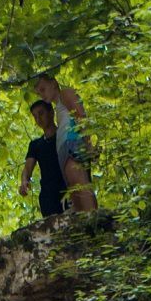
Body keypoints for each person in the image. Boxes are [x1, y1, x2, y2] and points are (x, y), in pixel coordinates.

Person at [31, 73, 97, 212]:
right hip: (64, 151)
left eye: (43, 89)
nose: (41, 95)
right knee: (74, 190)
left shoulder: (65, 93)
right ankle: (84, 225)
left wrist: (89, 143)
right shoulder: (58, 108)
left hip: (71, 145)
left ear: (54, 83)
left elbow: (81, 116)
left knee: (81, 184)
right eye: (38, 93)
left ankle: (94, 218)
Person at [19, 100, 68, 218]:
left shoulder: (65, 135)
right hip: (48, 197)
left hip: (68, 191)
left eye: (41, 113)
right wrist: (24, 181)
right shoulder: (36, 145)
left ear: (51, 113)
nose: (38, 119)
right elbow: (27, 168)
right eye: (35, 116)